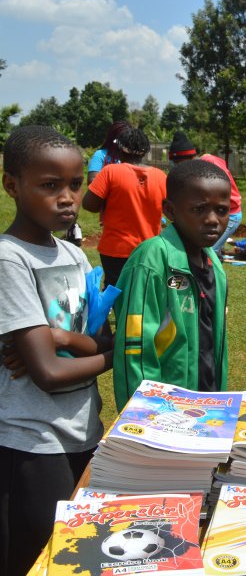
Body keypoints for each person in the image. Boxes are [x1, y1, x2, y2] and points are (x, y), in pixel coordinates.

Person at [0, 126, 114, 576]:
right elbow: (47, 373)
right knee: (34, 560)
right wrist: (114, 358)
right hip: (30, 442)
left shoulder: (73, 256)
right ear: (12, 185)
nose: (67, 197)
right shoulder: (10, 259)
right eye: (50, 186)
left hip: (84, 431)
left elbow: (94, 338)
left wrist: (62, 339)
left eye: (74, 184)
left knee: (77, 557)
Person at [112, 159, 231, 410]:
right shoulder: (152, 259)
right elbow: (135, 346)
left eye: (221, 210)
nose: (212, 219)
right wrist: (144, 413)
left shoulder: (214, 264)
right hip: (162, 411)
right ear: (170, 211)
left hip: (204, 404)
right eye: (199, 209)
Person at [82, 127, 167, 288]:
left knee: (114, 291)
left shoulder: (110, 172)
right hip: (149, 250)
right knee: (142, 293)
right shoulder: (161, 176)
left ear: (120, 148)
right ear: (146, 151)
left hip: (115, 249)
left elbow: (89, 205)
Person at [168, 131, 243, 256]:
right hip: (213, 213)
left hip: (230, 214)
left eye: (180, 163)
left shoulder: (209, 163)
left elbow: (228, 193)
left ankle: (215, 274)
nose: (179, 167)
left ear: (191, 158)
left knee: (208, 252)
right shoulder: (195, 170)